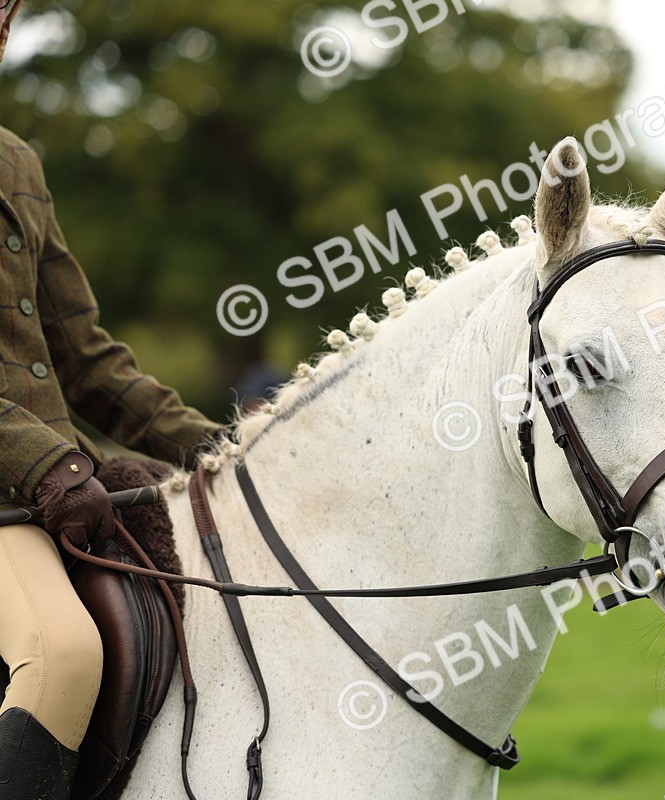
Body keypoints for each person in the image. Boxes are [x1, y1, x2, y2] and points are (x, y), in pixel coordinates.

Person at [0, 3, 224, 797]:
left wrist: (216, 448)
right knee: (62, 650)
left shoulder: (17, 161)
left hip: (59, 487)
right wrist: (47, 465)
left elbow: (85, 357)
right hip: (17, 492)